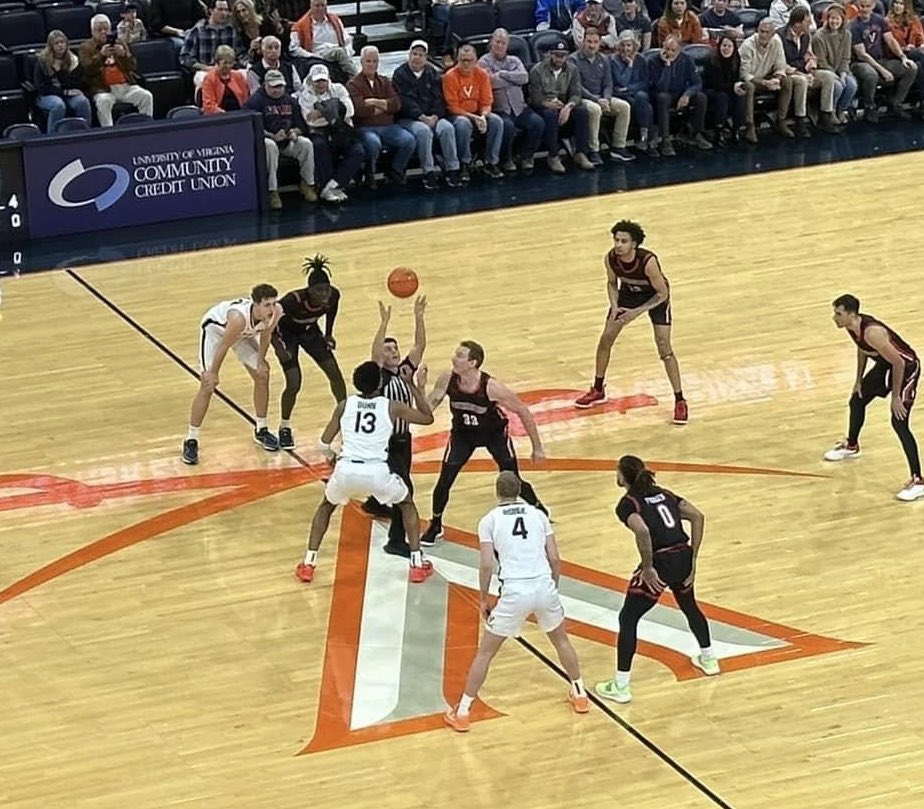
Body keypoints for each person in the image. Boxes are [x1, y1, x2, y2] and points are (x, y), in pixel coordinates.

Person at [444, 471, 589, 732]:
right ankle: (580, 693)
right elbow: (555, 557)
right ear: (520, 489)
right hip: (544, 585)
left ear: (497, 492)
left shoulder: (489, 520)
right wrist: (553, 586)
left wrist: (484, 599)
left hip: (514, 592)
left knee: (486, 653)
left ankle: (463, 711)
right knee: (561, 640)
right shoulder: (538, 515)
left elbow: (487, 563)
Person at [295, 360, 435, 584]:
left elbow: (323, 444)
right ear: (380, 384)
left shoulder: (344, 405)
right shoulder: (391, 406)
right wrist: (413, 386)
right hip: (377, 471)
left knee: (325, 507)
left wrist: (332, 459)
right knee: (407, 504)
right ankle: (417, 564)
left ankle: (308, 563)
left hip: (347, 469)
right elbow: (427, 418)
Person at [594, 455, 719, 705]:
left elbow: (641, 530)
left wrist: (648, 567)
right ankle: (709, 659)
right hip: (683, 557)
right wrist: (692, 558)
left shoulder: (628, 503)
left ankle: (621, 685)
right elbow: (698, 516)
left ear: (623, 476)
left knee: (628, 618)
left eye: (617, 471)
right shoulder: (665, 494)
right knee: (689, 605)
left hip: (661, 561)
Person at [419, 341, 548, 546]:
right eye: (455, 354)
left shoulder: (491, 387)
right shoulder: (447, 379)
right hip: (463, 435)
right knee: (444, 480)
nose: (454, 358)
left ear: (473, 362)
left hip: (493, 434)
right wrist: (420, 386)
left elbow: (523, 410)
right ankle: (435, 524)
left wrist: (537, 446)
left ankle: (540, 510)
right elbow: (427, 410)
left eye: (460, 356)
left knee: (512, 479)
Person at [574, 220, 688, 424]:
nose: (618, 244)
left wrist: (636, 312)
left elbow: (663, 293)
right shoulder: (610, 258)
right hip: (628, 295)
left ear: (634, 244)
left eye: (623, 241)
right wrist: (615, 305)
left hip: (655, 299)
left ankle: (680, 400)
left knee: (664, 347)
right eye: (616, 240)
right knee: (606, 338)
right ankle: (598, 388)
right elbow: (611, 283)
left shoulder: (648, 261)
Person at [824, 294, 923, 501]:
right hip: (887, 365)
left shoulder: (873, 332)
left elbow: (899, 363)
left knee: (899, 422)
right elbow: (862, 350)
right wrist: (858, 380)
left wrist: (896, 396)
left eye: (838, 313)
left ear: (851, 314)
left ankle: (918, 480)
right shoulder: (853, 327)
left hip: (906, 368)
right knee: (857, 400)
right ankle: (852, 446)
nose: (834, 317)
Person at [182, 284, 282, 465]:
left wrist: (261, 361)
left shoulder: (276, 312)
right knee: (207, 386)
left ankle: (262, 429)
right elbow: (223, 346)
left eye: (273, 303)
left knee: (263, 375)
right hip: (217, 333)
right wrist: (213, 373)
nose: (271, 308)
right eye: (267, 305)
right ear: (256, 304)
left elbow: (266, 336)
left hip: (243, 335)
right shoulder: (238, 318)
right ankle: (191, 439)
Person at [365, 297, 428, 557]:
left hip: (405, 438)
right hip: (389, 441)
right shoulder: (379, 376)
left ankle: (374, 503)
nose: (393, 352)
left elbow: (420, 345)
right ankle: (396, 540)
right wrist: (384, 323)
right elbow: (374, 353)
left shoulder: (404, 371)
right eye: (388, 349)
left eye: (395, 349)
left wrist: (419, 316)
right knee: (406, 490)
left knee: (394, 481)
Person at [272, 255, 346, 449]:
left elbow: (331, 313)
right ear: (309, 290)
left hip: (310, 332)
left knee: (335, 374)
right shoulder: (291, 300)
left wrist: (329, 335)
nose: (324, 294)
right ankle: (285, 427)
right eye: (319, 290)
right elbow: (270, 322)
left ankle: (346, 417)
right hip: (287, 335)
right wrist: (278, 348)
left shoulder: (333, 296)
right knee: (294, 382)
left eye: (326, 289)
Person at [33, 30, 92, 134]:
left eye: (62, 42)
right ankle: (52, 136)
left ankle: (86, 132)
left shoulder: (73, 60)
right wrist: (64, 92)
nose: (60, 45)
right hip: (46, 95)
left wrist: (60, 73)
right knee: (58, 104)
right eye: (56, 43)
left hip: (67, 94)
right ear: (51, 46)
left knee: (82, 102)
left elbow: (75, 84)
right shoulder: (42, 61)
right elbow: (41, 87)